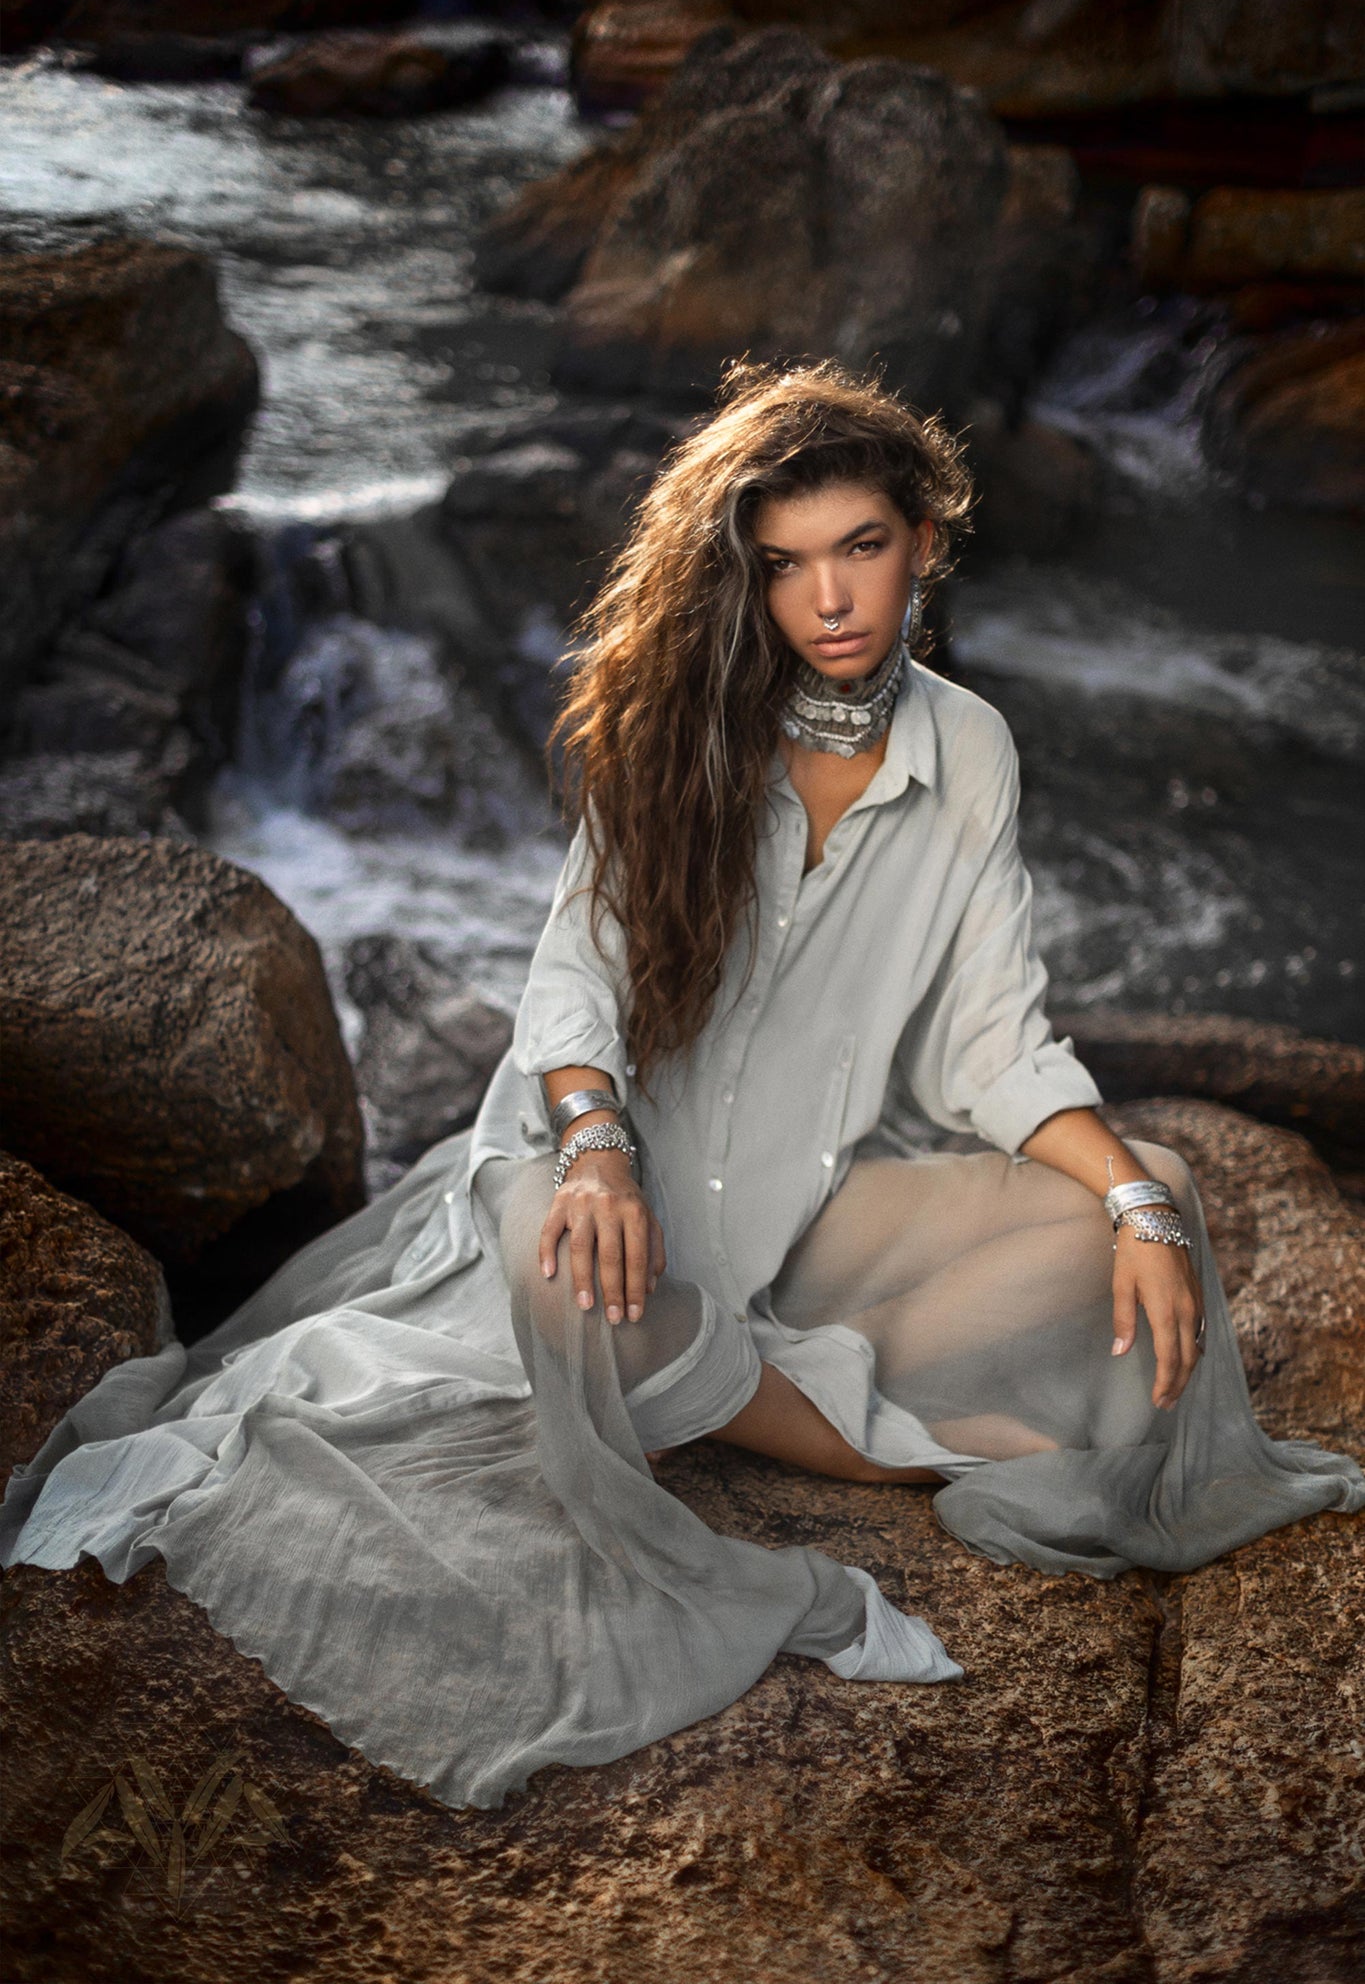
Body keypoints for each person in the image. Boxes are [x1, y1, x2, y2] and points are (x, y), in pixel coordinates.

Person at [3, 360, 1360, 1815]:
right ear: (741, 580)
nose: (830, 599)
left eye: (862, 548)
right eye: (785, 566)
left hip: (799, 1200)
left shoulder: (967, 749)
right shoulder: (673, 731)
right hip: (593, 1176)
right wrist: (593, 1146)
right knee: (560, 1268)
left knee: (1123, 1225)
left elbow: (992, 1045)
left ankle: (743, 1384)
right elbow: (568, 983)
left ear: (923, 541)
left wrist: (1139, 1196)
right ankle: (853, 1439)